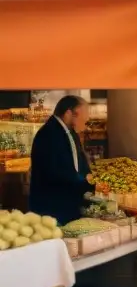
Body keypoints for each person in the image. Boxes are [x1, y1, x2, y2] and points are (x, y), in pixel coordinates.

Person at [29, 95, 97, 225]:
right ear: (68, 113)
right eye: (83, 115)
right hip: (52, 208)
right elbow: (55, 172)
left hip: (69, 206)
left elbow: (80, 164)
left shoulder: (71, 133)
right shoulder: (48, 134)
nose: (87, 119)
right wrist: (86, 182)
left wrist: (92, 179)